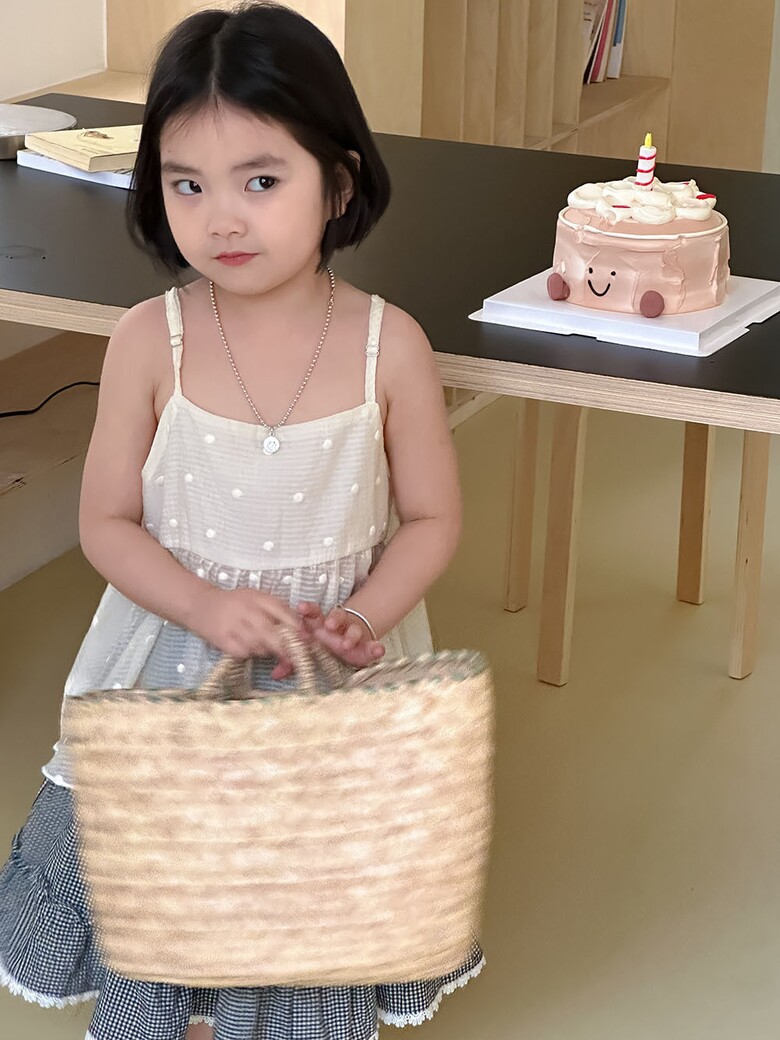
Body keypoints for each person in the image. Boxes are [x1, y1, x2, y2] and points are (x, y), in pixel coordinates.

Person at [0, 3, 485, 1039]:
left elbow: (433, 517)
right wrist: (203, 605)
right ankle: (181, 1012)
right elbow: (107, 520)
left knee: (299, 876)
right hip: (176, 667)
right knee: (175, 870)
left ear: (338, 184)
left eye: (260, 182)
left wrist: (365, 613)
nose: (221, 218)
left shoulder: (391, 346)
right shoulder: (149, 339)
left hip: (329, 678)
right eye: (187, 184)